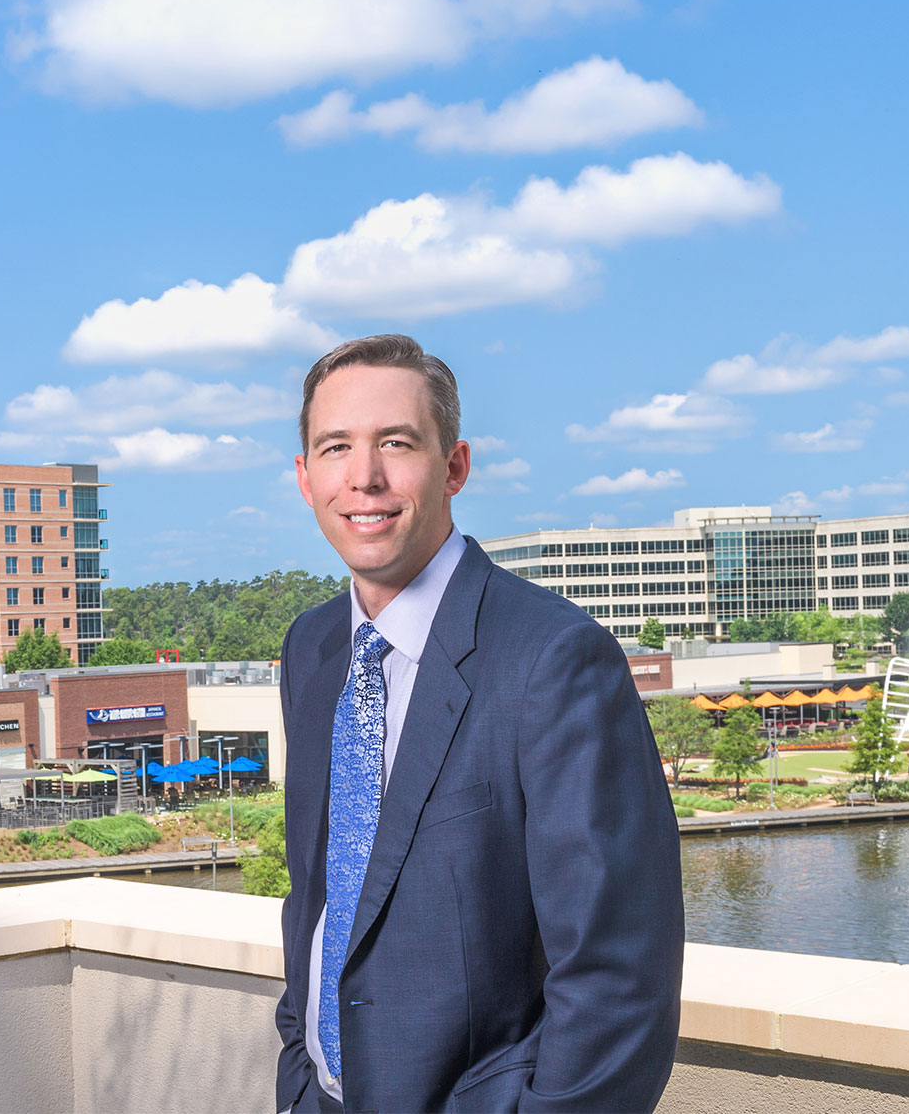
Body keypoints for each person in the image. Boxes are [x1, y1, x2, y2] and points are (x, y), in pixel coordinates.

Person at [275, 335, 683, 1113]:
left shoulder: (555, 659)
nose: (364, 477)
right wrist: (300, 1071)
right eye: (336, 448)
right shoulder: (314, 649)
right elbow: (317, 896)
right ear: (305, 477)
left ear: (454, 465)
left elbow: (619, 978)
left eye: (397, 443)